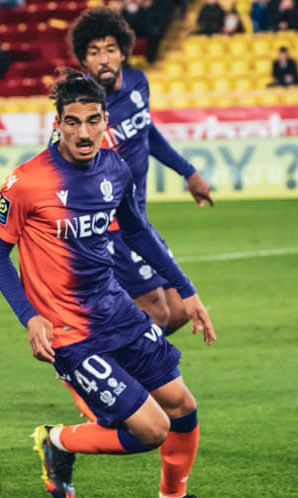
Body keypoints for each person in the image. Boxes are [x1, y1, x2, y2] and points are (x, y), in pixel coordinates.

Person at [0, 70, 225, 498]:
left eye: (93, 120)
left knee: (183, 406)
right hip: (69, 332)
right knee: (152, 430)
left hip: (118, 312)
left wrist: (187, 292)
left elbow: (138, 231)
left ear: (104, 121)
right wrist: (30, 317)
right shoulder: (27, 182)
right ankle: (57, 441)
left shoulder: (115, 168)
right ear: (57, 123)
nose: (83, 132)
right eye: (72, 122)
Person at [69, 8, 213, 339]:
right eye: (94, 52)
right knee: (157, 313)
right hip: (110, 228)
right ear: (84, 61)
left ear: (123, 52)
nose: (103, 59)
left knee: (178, 310)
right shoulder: (82, 108)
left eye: (110, 49)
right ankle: (107, 362)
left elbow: (146, 133)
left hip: (138, 221)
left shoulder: (138, 83)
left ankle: (108, 355)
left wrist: (188, 172)